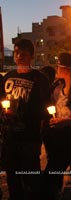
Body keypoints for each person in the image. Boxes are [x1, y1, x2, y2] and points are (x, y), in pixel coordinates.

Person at [0, 38, 51, 200]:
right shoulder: (8, 77)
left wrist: (24, 114)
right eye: (16, 52)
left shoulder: (39, 79)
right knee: (12, 178)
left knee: (31, 179)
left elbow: (46, 108)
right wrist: (5, 113)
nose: (19, 56)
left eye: (23, 53)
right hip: (9, 138)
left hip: (29, 138)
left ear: (32, 56)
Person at [42, 52, 71, 200]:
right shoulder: (57, 91)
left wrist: (66, 122)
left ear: (68, 69)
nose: (56, 68)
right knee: (51, 175)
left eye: (59, 65)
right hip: (59, 140)